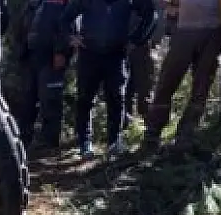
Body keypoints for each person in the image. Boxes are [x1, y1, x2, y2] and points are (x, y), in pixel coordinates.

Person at [60, 0, 158, 157]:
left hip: (116, 55)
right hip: (89, 53)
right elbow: (65, 18)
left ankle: (114, 142)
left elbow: (151, 15)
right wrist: (71, 38)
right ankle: (85, 143)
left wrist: (136, 39)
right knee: (85, 98)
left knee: (116, 98)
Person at [143, 0, 221, 147]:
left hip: (213, 31)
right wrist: (171, 10)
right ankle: (152, 133)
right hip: (184, 29)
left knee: (201, 87)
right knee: (168, 81)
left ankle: (186, 135)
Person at [15, 0, 72, 151]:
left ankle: (49, 141)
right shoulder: (31, 3)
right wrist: (20, 49)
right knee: (28, 99)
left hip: (50, 58)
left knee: (50, 98)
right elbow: (22, 25)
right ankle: (23, 138)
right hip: (30, 56)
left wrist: (61, 51)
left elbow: (67, 25)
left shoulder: (61, 3)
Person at [125, 0, 167, 123]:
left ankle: (147, 123)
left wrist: (136, 40)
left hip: (140, 46)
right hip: (122, 45)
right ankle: (124, 122)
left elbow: (151, 17)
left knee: (144, 85)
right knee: (126, 86)